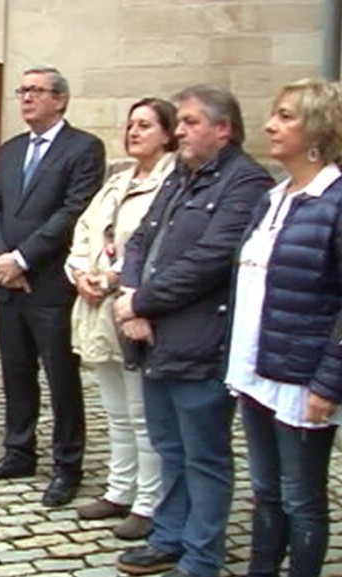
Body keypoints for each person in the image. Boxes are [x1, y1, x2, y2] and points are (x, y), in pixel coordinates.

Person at [113, 86, 272, 577]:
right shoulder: (181, 175)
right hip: (153, 336)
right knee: (169, 448)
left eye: (189, 122)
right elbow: (141, 239)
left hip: (201, 341)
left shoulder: (245, 183)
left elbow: (210, 260)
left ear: (223, 128)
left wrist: (140, 300)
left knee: (204, 455)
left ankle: (202, 556)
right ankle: (169, 536)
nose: (178, 131)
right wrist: (132, 299)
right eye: (178, 122)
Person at [224, 79, 342, 577]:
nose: (271, 125)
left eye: (286, 115)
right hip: (257, 367)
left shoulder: (334, 201)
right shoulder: (273, 198)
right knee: (266, 490)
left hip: (302, 376)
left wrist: (329, 382)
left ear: (317, 129)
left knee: (301, 496)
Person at [0, 66, 106, 508]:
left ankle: (67, 465)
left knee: (61, 376)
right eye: (23, 90)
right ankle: (18, 451)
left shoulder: (84, 148)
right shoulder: (11, 150)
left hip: (49, 284)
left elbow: (73, 212)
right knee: (15, 370)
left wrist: (23, 258)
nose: (27, 97)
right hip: (9, 282)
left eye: (37, 91)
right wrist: (0, 258)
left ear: (60, 100)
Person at [68, 98, 178, 540]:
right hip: (96, 307)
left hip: (135, 309)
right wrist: (79, 273)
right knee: (113, 408)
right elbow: (84, 232)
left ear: (168, 134)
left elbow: (160, 248)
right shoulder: (115, 181)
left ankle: (149, 502)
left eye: (145, 125)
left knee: (142, 413)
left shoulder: (172, 184)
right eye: (131, 124)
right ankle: (119, 489)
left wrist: (114, 277)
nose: (134, 132)